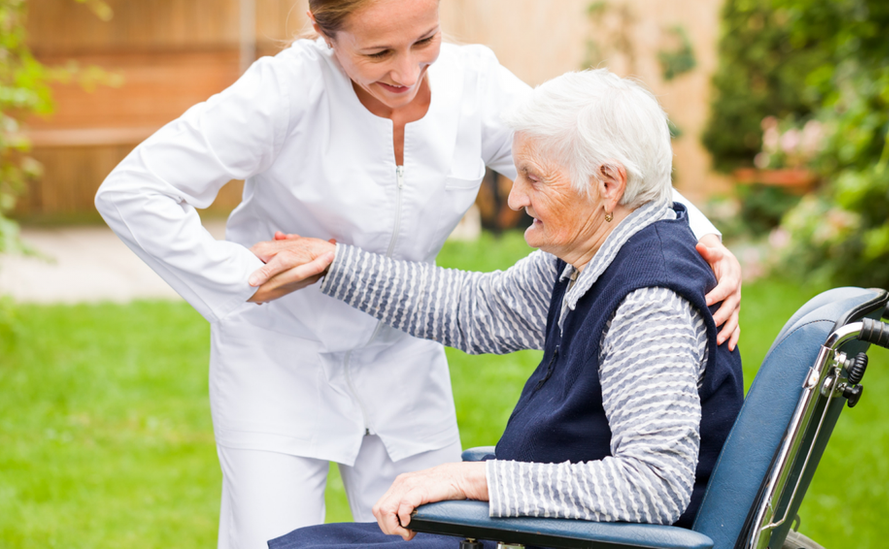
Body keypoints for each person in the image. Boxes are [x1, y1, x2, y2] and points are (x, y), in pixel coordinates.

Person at [94, 0, 742, 547]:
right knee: (276, 539)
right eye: (378, 55)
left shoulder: (475, 87)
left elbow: (593, 154)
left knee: (429, 532)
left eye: (425, 40)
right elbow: (135, 190)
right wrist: (244, 276)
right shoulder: (285, 91)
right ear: (325, 36)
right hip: (280, 357)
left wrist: (700, 239)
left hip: (403, 361)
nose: (406, 73)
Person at [248, 68, 744, 549]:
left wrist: (474, 481)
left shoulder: (648, 305)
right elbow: (476, 309)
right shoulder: (591, 255)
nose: (514, 197)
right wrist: (334, 263)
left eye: (533, 178)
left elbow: (653, 484)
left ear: (609, 184)